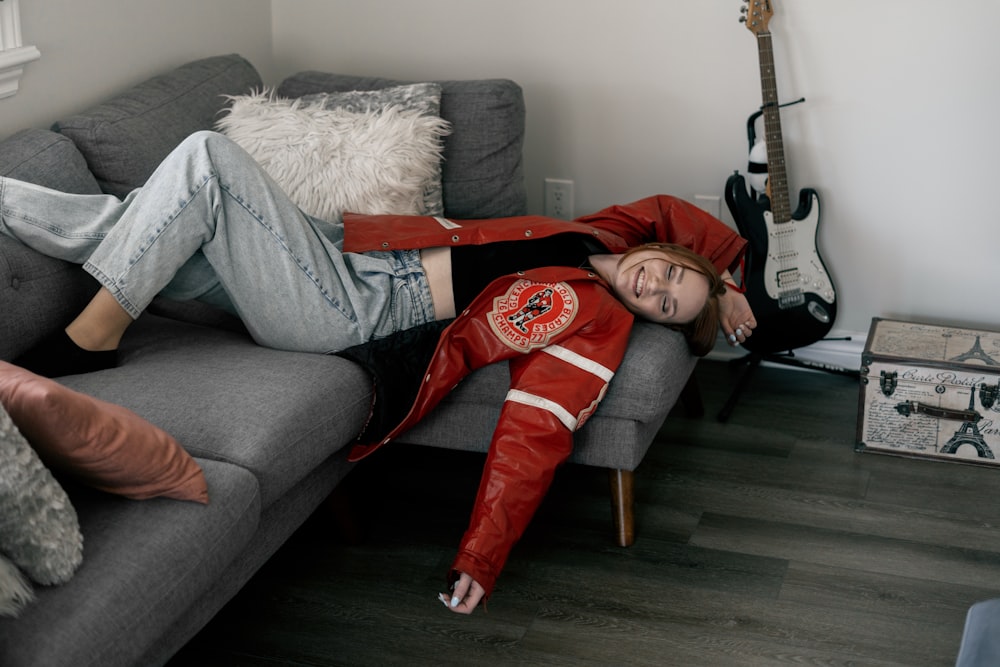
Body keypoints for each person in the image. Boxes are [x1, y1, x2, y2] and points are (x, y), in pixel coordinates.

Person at [0, 130, 756, 614]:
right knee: (140, 217)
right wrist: (726, 276)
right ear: (669, 253)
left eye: (665, 306)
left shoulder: (595, 322)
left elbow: (536, 430)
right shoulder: (606, 231)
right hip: (347, 256)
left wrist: (481, 557)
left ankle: (89, 339)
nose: (654, 289)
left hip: (357, 310)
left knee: (205, 156)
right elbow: (669, 207)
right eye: (669, 277)